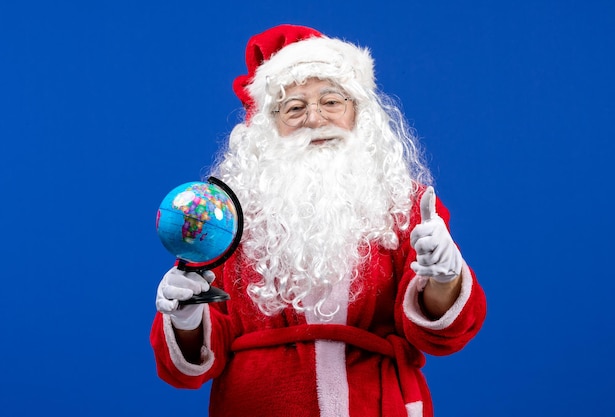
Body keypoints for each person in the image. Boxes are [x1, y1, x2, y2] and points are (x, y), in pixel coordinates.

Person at [150, 24, 487, 417]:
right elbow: (185, 369)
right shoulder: (225, 215)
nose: (315, 118)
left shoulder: (404, 202)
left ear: (358, 112)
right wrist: (188, 316)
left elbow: (442, 336)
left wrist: (444, 279)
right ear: (267, 125)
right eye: (294, 107)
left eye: (332, 101)